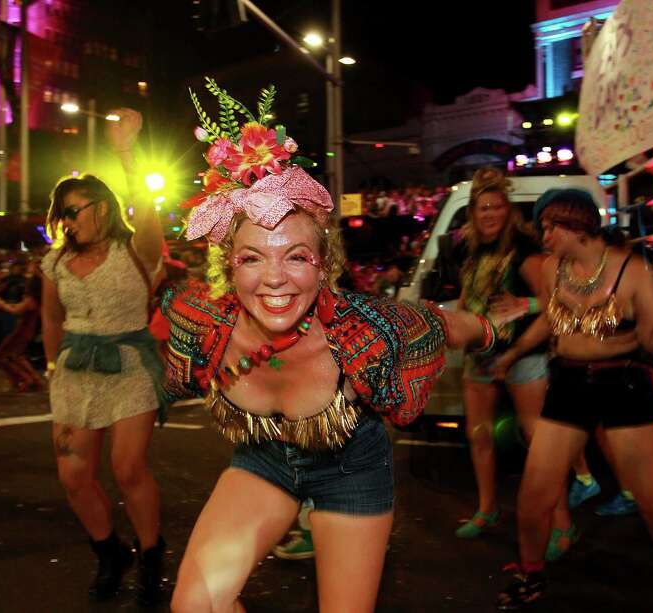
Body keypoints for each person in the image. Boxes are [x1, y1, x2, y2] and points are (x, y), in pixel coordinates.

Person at [164, 80, 501, 613]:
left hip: (352, 471)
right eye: (253, 258)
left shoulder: (367, 330)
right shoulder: (204, 323)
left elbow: (441, 324)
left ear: (324, 265)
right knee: (194, 606)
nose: (275, 278)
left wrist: (491, 327)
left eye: (296, 256)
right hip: (263, 462)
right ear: (229, 265)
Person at [494, 189, 653, 612]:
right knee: (533, 497)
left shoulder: (631, 270)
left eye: (550, 227)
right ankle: (531, 576)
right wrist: (513, 352)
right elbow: (551, 320)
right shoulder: (552, 269)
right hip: (568, 383)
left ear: (576, 225)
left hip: (623, 384)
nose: (544, 236)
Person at [40, 108, 168, 605]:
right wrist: (53, 368)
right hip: (75, 371)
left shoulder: (137, 249)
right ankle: (109, 552)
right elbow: (51, 318)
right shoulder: (54, 262)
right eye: (63, 213)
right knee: (73, 475)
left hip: (130, 364)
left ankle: (151, 555)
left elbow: (146, 206)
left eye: (76, 210)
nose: (69, 220)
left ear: (103, 208)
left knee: (128, 467)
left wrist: (125, 151)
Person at [452, 169, 568, 551]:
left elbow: (554, 302)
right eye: (483, 207)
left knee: (538, 441)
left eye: (496, 206)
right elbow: (468, 299)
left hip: (523, 352)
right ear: (473, 212)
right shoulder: (470, 250)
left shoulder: (523, 248)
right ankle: (487, 509)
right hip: (480, 354)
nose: (490, 214)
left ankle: (561, 524)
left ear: (508, 210)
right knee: (479, 435)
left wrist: (524, 305)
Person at [0, 273, 43, 392]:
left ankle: (24, 379)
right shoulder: (36, 300)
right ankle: (34, 379)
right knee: (17, 356)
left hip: (21, 331)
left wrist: (0, 304)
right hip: (27, 331)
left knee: (1, 356)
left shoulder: (30, 300)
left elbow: (15, 310)